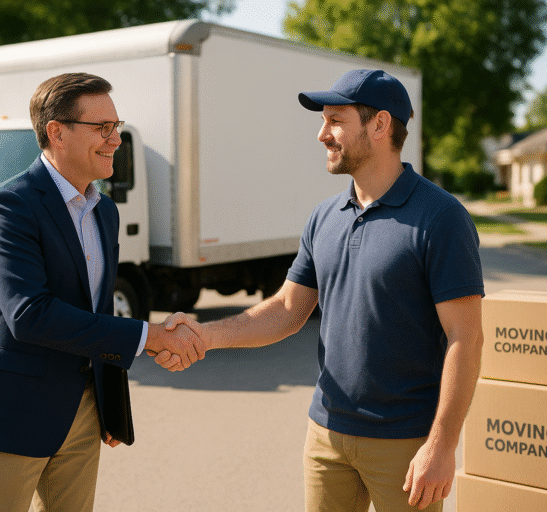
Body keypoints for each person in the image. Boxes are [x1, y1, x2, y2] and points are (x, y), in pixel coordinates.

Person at [161, 69, 484, 511]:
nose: (321, 134)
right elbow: (287, 310)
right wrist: (205, 335)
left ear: (380, 124)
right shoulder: (324, 216)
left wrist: (442, 446)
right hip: (326, 435)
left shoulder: (440, 217)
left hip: (405, 442)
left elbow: (465, 338)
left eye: (335, 120)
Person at [0, 72, 204, 512]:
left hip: (82, 413)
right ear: (56, 132)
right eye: (102, 128)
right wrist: (151, 336)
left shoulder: (104, 210)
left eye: (117, 127)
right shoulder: (8, 207)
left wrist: (108, 406)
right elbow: (30, 314)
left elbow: (97, 309)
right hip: (12, 412)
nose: (115, 139)